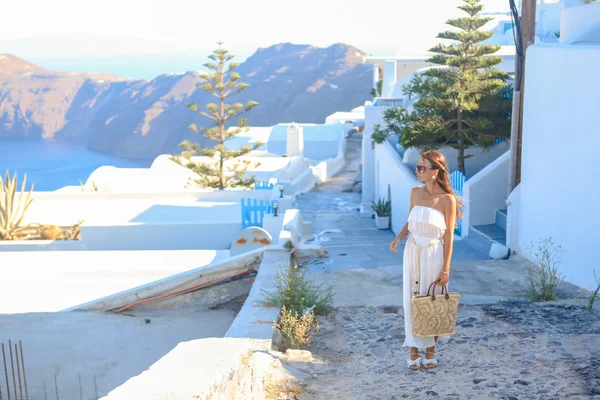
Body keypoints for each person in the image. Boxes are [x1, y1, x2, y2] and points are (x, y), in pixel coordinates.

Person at [389, 149, 462, 370]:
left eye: (422, 167)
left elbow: (449, 235)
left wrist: (446, 269)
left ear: (435, 171)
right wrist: (398, 239)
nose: (418, 171)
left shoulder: (447, 200)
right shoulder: (415, 192)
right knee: (412, 298)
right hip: (412, 251)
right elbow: (411, 222)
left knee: (431, 299)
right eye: (417, 167)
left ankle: (430, 350)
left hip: (433, 252)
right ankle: (413, 350)